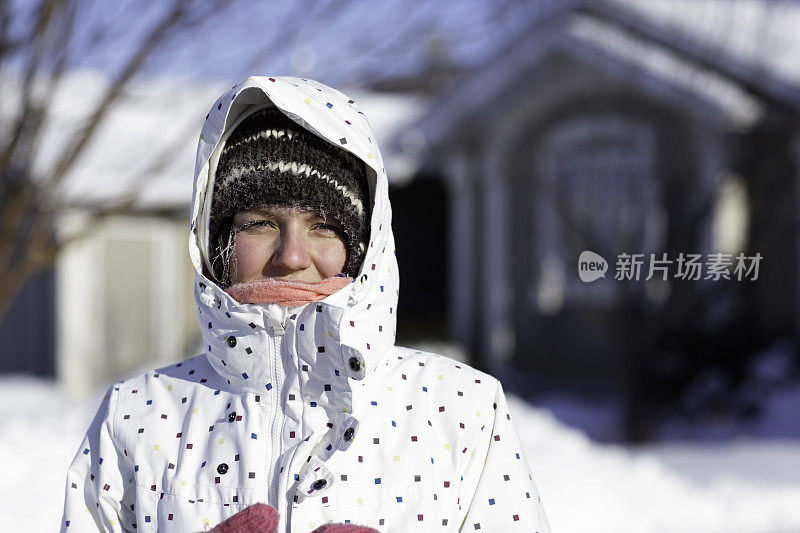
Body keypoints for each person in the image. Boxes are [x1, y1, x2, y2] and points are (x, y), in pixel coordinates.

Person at [61, 76, 550, 532]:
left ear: (363, 246)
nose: (292, 257)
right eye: (260, 223)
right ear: (218, 239)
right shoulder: (136, 417)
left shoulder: (461, 410)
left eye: (324, 226)